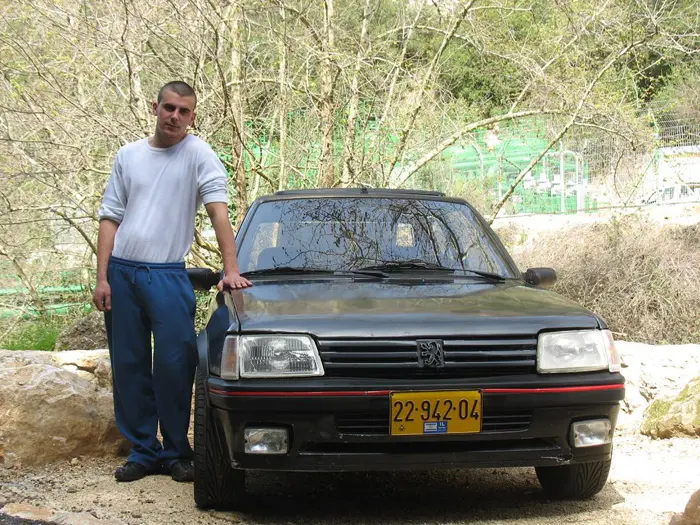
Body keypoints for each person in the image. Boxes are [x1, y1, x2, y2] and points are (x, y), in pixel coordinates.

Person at [93, 80, 252, 483]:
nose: (175, 117)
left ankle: (177, 451)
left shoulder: (199, 154)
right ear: (156, 107)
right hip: (123, 273)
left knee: (175, 363)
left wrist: (230, 269)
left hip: (168, 274)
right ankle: (143, 451)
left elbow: (218, 212)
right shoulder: (129, 156)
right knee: (128, 364)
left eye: (184, 111)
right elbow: (110, 217)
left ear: (192, 116)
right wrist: (102, 278)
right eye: (169, 108)